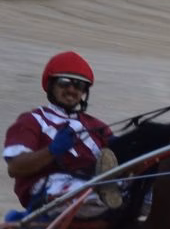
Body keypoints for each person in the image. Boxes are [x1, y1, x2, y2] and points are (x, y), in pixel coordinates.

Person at [4, 51, 122, 216]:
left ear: (84, 92)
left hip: (94, 183)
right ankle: (106, 193)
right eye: (64, 82)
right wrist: (52, 150)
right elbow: (15, 167)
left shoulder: (96, 125)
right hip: (48, 188)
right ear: (51, 85)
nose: (71, 90)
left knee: (151, 191)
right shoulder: (31, 120)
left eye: (79, 85)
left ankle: (109, 191)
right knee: (88, 193)